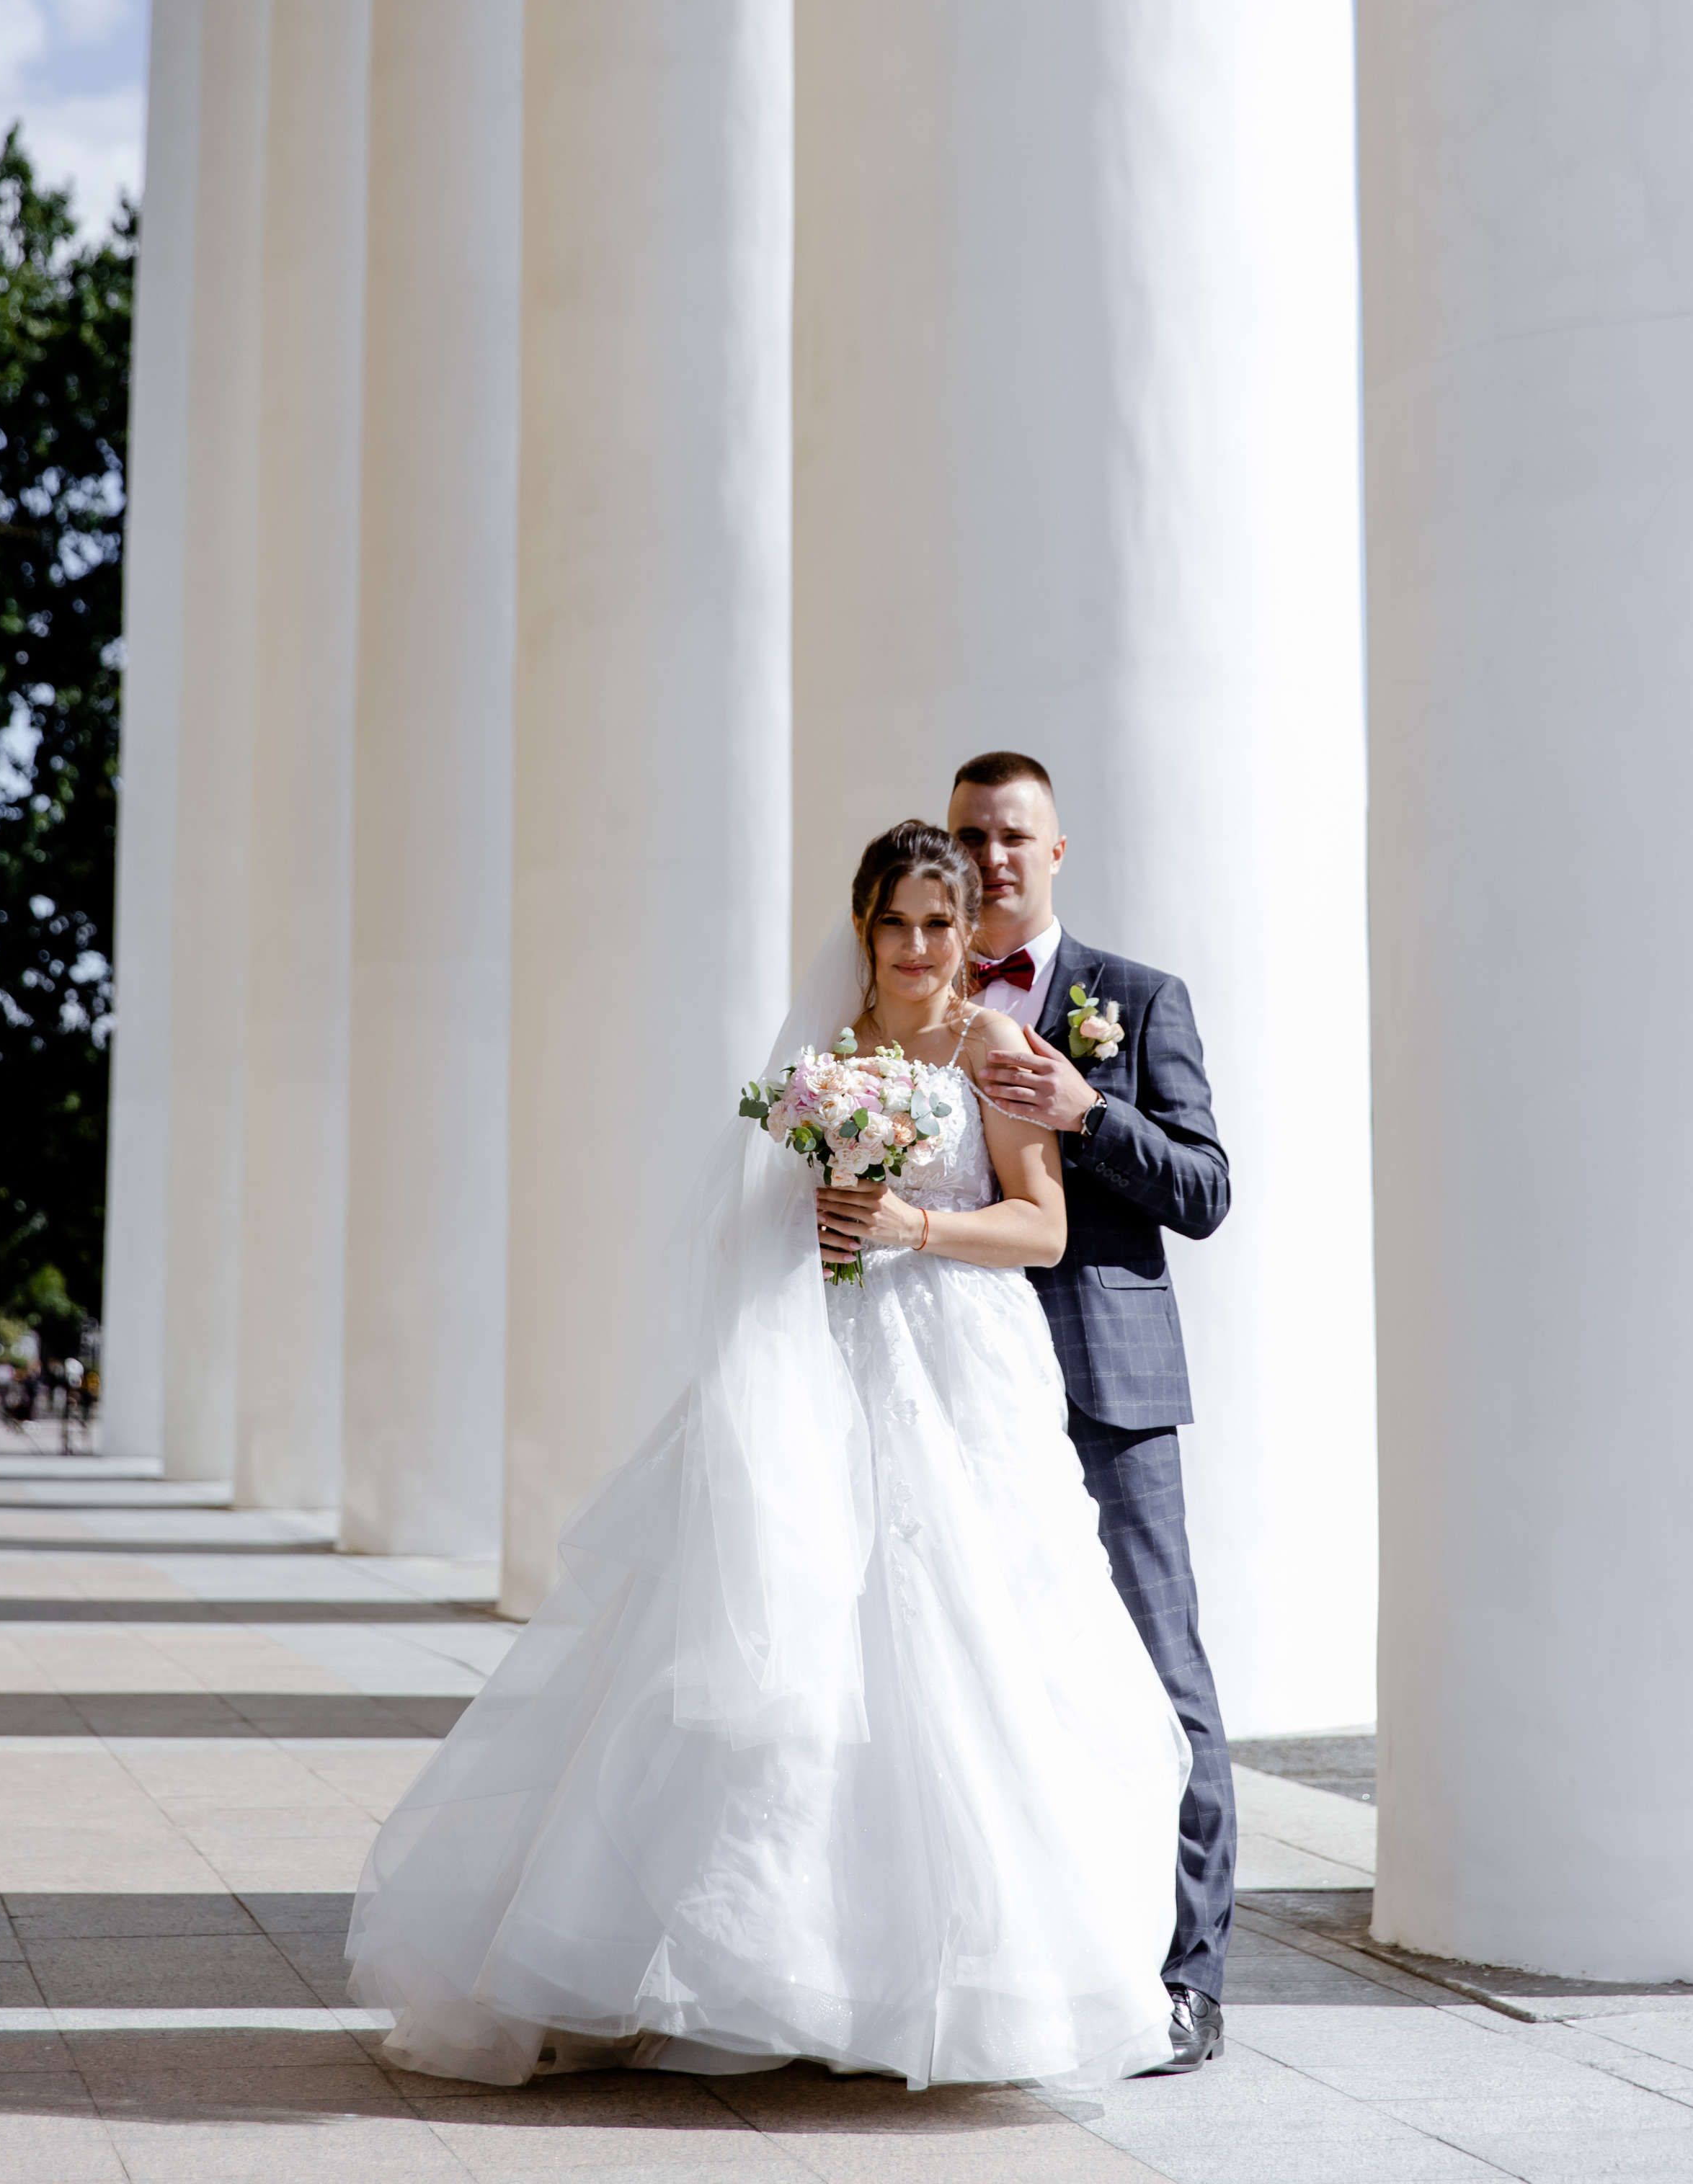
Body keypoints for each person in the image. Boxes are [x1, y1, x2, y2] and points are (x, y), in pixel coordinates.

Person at [347, 820, 1188, 2090]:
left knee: (952, 1641)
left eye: (938, 925)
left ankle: (933, 1985)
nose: (916, 947)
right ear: (863, 925)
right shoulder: (831, 1060)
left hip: (954, 1363)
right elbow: (760, 1228)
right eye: (896, 922)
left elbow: (1044, 1228)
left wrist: (911, 1220)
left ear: (968, 934)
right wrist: (818, 1236)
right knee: (782, 1627)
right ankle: (753, 1973)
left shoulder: (995, 1044)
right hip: (820, 1358)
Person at [946, 751, 1234, 2074]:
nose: (992, 857)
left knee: (1163, 1674)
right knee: (987, 1676)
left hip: (1108, 1390)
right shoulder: (918, 1000)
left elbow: (1205, 1188)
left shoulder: (1138, 997)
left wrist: (1087, 1106)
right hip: (957, 1385)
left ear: (1057, 851)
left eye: (1014, 836)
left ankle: (1190, 1980)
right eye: (970, 837)